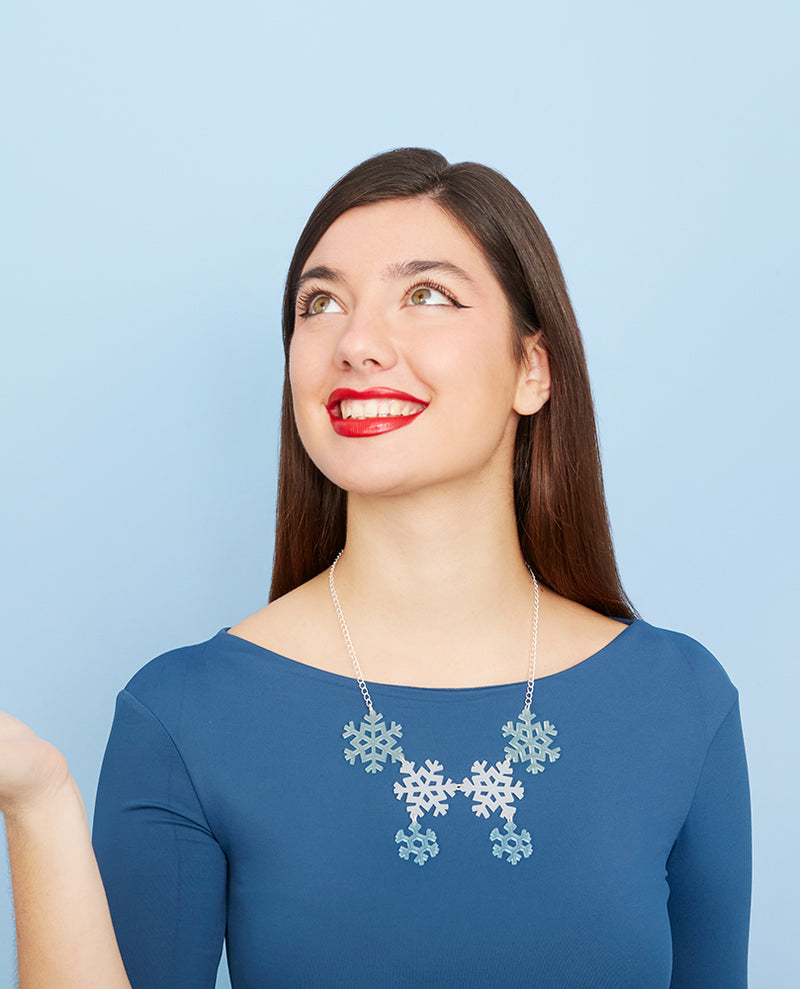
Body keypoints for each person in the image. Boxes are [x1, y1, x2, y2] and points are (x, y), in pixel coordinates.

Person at [0, 148, 751, 988]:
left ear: (532, 370)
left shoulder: (682, 702)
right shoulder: (181, 716)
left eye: (426, 294)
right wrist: (36, 799)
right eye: (320, 304)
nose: (356, 343)